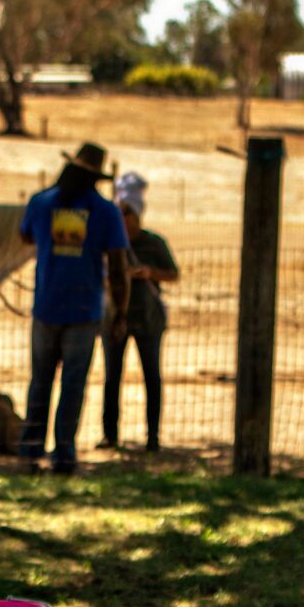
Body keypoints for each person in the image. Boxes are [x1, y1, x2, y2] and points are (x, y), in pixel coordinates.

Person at [17, 141, 130, 474]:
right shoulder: (106, 211)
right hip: (83, 311)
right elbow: (120, 265)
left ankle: (30, 450)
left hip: (47, 307)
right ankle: (63, 453)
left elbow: (25, 236)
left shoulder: (41, 203)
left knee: (40, 381)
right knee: (72, 385)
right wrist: (121, 310)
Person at [97, 171, 178, 453]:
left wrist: (149, 272)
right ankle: (110, 435)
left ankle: (152, 437)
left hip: (148, 320)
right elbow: (99, 274)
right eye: (121, 212)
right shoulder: (109, 243)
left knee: (151, 377)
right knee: (111, 378)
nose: (124, 218)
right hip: (114, 318)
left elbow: (173, 274)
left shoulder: (153, 243)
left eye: (127, 213)